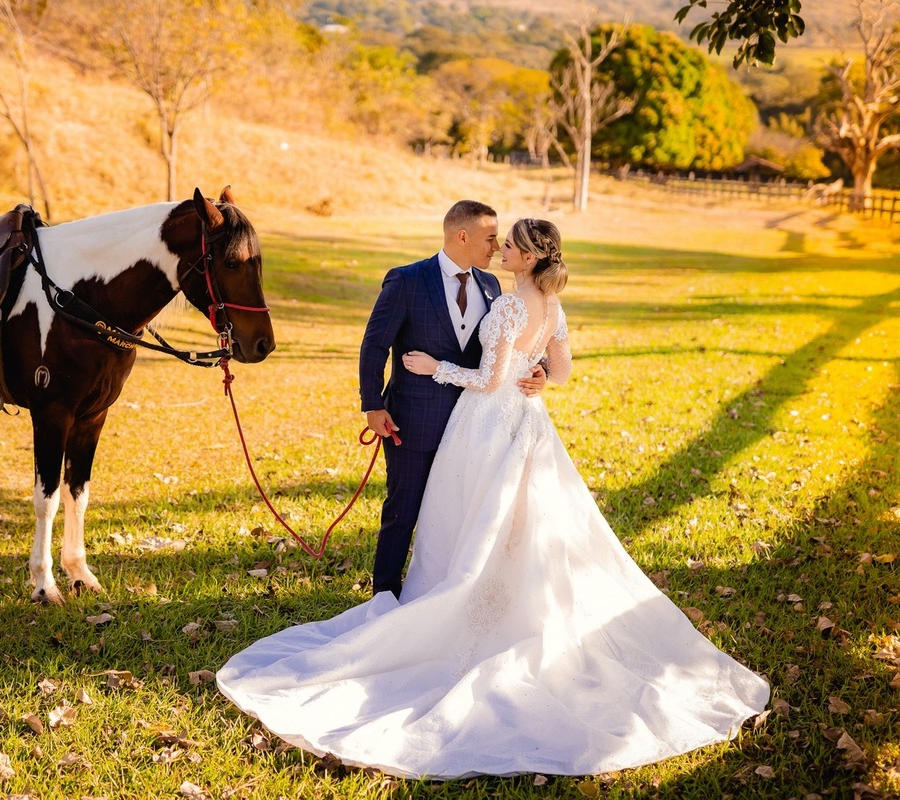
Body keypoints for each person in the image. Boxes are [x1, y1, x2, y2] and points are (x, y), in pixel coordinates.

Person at [217, 218, 770, 779]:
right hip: (527, 422)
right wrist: (542, 377)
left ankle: (463, 605)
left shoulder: (505, 303)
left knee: (479, 515)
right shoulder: (550, 306)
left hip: (484, 422)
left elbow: (486, 378)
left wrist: (438, 368)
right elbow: (564, 368)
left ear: (528, 258)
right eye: (495, 240)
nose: (499, 248)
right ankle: (481, 598)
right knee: (514, 521)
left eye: (508, 244)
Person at [358, 200, 546, 598]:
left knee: (457, 516)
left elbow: (505, 349)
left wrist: (539, 369)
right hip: (412, 420)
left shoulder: (492, 286)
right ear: (463, 236)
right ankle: (384, 596)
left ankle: (444, 595)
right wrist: (373, 405)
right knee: (402, 511)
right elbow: (374, 345)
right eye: (491, 238)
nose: (496, 247)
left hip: (473, 425)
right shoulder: (406, 280)